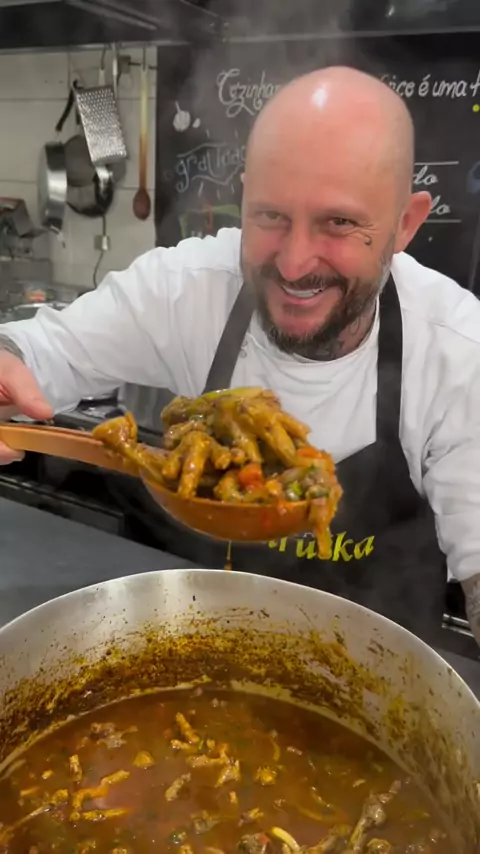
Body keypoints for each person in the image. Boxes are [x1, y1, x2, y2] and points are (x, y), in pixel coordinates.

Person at [0, 66, 479, 647]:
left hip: (382, 681)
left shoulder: (458, 350)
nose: (295, 263)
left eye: (339, 223)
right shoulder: (189, 287)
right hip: (205, 653)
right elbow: (35, 351)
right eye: (270, 215)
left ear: (405, 225)